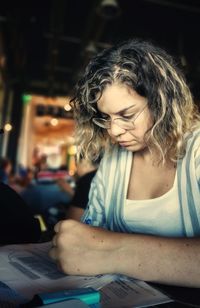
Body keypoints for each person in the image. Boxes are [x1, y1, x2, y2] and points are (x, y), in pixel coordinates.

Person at [49, 39, 200, 288]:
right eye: (106, 117)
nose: (114, 130)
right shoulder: (113, 162)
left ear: (161, 100)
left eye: (126, 115)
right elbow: (89, 240)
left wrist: (113, 252)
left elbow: (98, 248)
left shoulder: (196, 150)